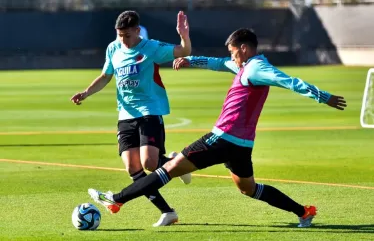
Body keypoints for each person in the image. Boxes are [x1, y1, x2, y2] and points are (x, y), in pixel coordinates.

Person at [87, 28, 347, 228]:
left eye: (234, 51)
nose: (232, 55)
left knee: (168, 168)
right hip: (242, 145)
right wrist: (191, 60)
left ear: (244, 49)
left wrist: (324, 97)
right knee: (249, 188)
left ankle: (117, 199)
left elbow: (290, 81)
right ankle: (304, 212)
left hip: (222, 138)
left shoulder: (258, 68)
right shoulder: (244, 65)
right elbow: (218, 62)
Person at [70, 10, 192, 227]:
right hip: (125, 114)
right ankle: (167, 212)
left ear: (137, 31)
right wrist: (86, 92)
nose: (123, 40)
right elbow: (106, 75)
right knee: (133, 167)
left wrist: (184, 35)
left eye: (127, 35)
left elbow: (184, 50)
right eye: (119, 35)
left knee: (150, 163)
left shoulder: (151, 48)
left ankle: (177, 165)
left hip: (149, 110)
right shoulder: (113, 48)